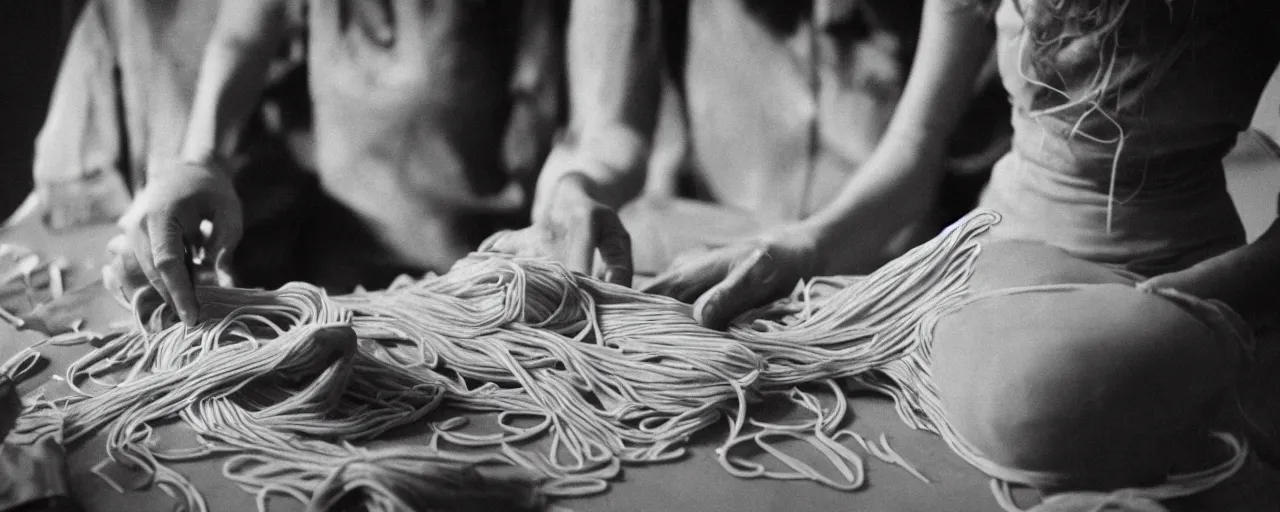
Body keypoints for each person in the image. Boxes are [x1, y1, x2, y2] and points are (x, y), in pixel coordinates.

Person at [483, 0, 1012, 329]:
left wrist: (802, 250)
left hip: (884, 265)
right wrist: (577, 191)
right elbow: (608, 132)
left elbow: (917, 149)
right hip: (719, 247)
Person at [115, 0, 564, 327]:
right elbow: (245, 33)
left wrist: (579, 187)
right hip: (339, 269)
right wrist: (200, 161)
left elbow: (608, 133)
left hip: (499, 272)